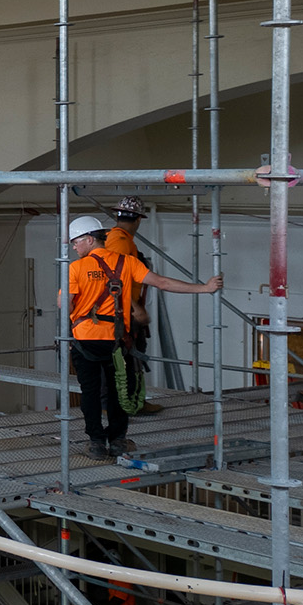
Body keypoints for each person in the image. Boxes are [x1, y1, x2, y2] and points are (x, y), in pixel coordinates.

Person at [58, 215, 221, 459]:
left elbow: (65, 306)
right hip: (117, 340)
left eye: (75, 242)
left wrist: (71, 332)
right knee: (118, 390)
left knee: (90, 392)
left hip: (85, 340)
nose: (74, 247)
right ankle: (118, 441)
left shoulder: (76, 268)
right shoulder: (127, 263)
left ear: (89, 240)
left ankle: (95, 443)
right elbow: (163, 283)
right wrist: (205, 288)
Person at [102, 196, 164, 415]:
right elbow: (113, 279)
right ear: (138, 219)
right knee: (129, 357)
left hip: (122, 309)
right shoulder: (120, 241)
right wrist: (133, 308)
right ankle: (130, 404)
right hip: (123, 312)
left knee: (127, 357)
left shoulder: (118, 238)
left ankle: (126, 403)